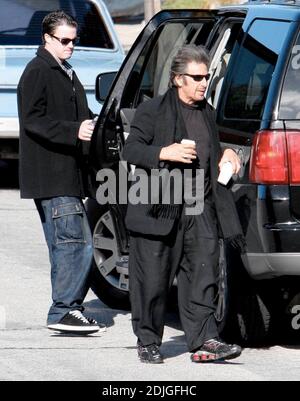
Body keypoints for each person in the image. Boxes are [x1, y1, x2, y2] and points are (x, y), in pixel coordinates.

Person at [123, 45, 244, 364]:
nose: (204, 83)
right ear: (178, 79)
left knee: (204, 273)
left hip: (200, 206)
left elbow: (210, 151)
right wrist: (165, 153)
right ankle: (148, 340)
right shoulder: (152, 111)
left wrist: (228, 155)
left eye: (207, 77)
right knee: (151, 278)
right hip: (158, 208)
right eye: (197, 77)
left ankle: (205, 337)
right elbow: (131, 150)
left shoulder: (207, 111)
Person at [17, 10, 105, 335]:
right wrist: (74, 131)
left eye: (74, 40)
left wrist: (97, 123)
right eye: (64, 40)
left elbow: (80, 115)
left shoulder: (65, 71)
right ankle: (65, 310)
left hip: (67, 174)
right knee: (75, 243)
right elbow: (32, 120)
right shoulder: (38, 70)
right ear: (47, 38)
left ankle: (69, 309)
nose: (71, 46)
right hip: (52, 176)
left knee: (67, 243)